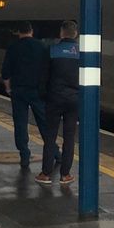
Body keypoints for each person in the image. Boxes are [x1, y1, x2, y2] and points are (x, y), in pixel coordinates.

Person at [0, 21, 49, 170]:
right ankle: (54, 153)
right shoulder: (42, 47)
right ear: (31, 31)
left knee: (20, 123)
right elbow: (48, 69)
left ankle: (24, 154)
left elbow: (5, 72)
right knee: (44, 122)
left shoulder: (13, 47)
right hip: (37, 91)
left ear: (18, 32)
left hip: (18, 91)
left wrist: (8, 89)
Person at [37, 20, 80, 185]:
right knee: (69, 137)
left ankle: (46, 174)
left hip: (54, 99)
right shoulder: (81, 53)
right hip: (74, 100)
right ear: (75, 34)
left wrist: (43, 95)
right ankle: (65, 175)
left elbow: (43, 77)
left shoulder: (52, 50)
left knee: (50, 136)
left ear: (61, 33)